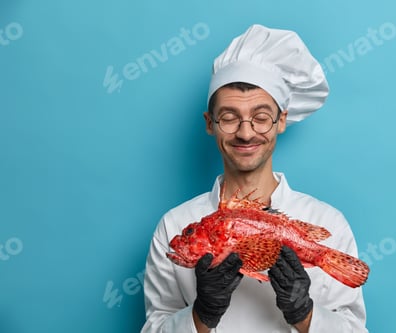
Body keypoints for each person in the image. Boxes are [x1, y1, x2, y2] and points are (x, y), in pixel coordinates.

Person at [141, 24, 368, 333]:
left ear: (281, 121)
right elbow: (154, 325)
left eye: (261, 118)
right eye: (229, 117)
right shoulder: (174, 225)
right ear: (210, 124)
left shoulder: (329, 222)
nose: (246, 132)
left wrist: (305, 315)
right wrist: (201, 316)